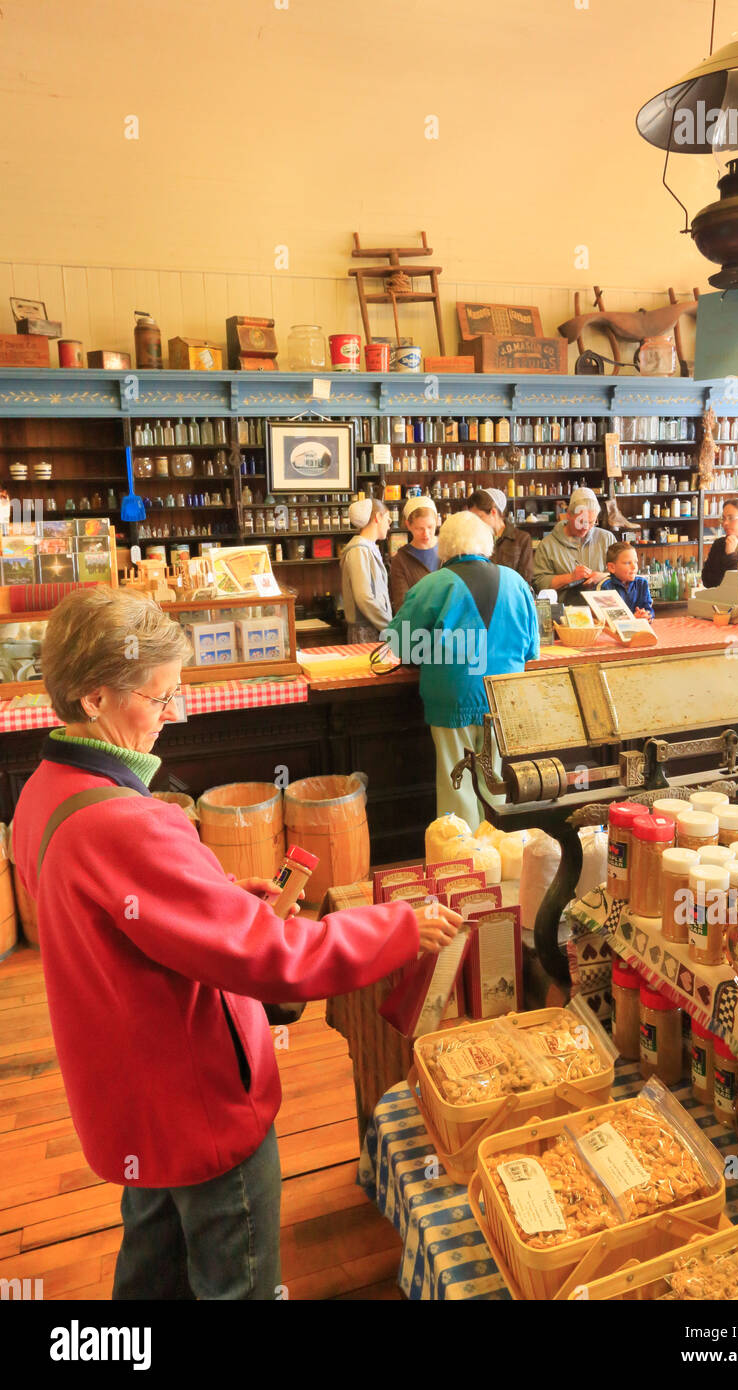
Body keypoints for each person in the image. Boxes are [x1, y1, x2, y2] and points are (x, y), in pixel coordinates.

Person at [12, 585, 462, 1301]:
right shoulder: (128, 824)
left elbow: (129, 929)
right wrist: (397, 926)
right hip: (197, 1100)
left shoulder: (45, 790)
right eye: (157, 699)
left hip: (131, 1097)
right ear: (93, 698)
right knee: (238, 1279)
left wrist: (223, 904)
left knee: (152, 1262)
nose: (173, 714)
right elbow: (274, 960)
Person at [384, 511, 539, 829]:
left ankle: (463, 864)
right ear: (487, 544)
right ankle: (498, 852)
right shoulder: (516, 583)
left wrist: (431, 650)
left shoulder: (433, 585)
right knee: (496, 780)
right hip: (503, 695)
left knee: (457, 782)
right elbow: (531, 649)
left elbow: (399, 644)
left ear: (445, 547)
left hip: (453, 696)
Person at [532, 487, 615, 602]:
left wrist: (602, 577)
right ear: (568, 515)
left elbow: (623, 574)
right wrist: (570, 578)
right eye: (580, 522)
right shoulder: (548, 545)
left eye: (591, 522)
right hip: (564, 613)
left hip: (603, 608)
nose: (585, 528)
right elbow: (539, 584)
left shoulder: (607, 539)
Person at [339, 496, 392, 642]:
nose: (389, 525)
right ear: (377, 517)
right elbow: (364, 598)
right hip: (366, 631)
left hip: (376, 627)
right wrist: (391, 627)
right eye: (387, 519)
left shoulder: (368, 548)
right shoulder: (358, 551)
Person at [468, 487, 533, 584]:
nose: (475, 522)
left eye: (479, 517)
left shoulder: (522, 539)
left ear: (493, 512)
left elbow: (525, 580)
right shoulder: (474, 540)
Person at [389, 495, 440, 609]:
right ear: (408, 525)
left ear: (437, 521)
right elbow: (402, 606)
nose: (426, 534)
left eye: (430, 527)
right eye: (419, 528)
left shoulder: (449, 550)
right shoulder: (401, 559)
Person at [599, 541, 654, 619]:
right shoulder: (604, 586)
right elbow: (606, 616)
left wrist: (646, 615)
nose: (634, 567)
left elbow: (648, 608)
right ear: (612, 567)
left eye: (635, 562)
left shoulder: (642, 583)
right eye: (628, 563)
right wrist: (631, 618)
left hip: (640, 628)